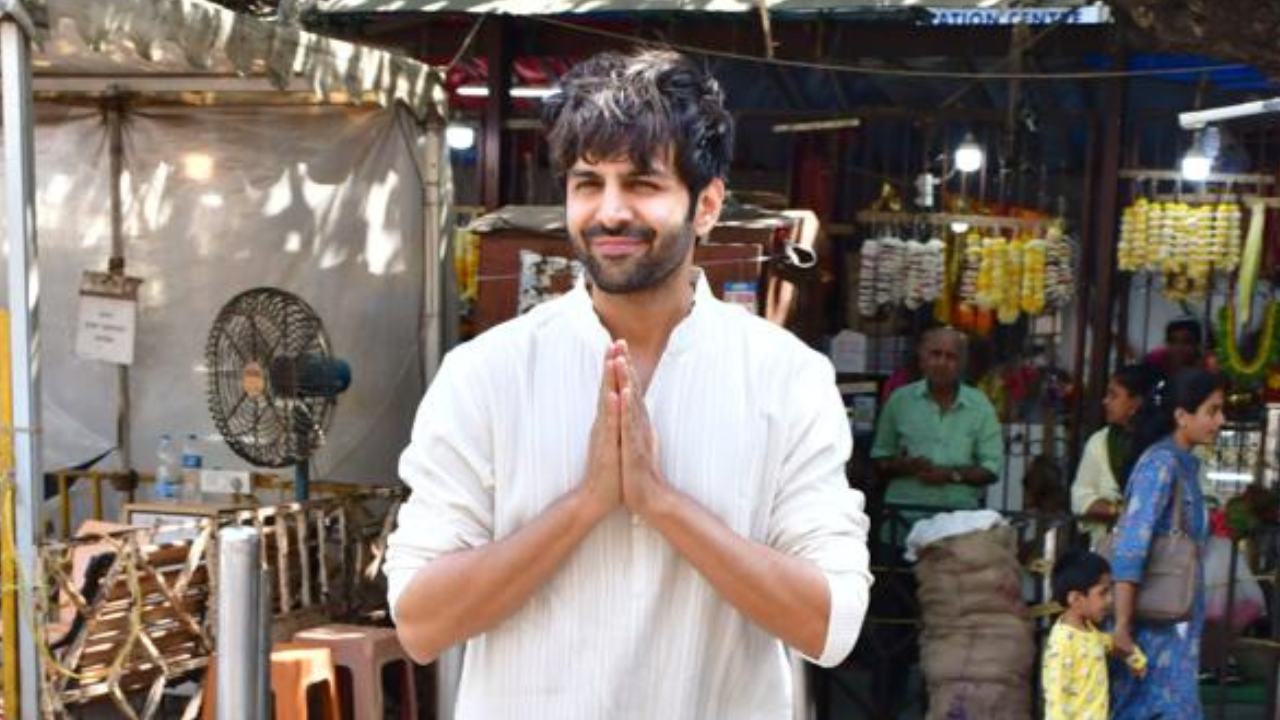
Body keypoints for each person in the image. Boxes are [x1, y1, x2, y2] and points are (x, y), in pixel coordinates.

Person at [383, 49, 872, 720]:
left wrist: (662, 504)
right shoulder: (487, 374)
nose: (609, 212)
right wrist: (586, 504)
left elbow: (830, 627)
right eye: (588, 183)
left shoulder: (785, 379)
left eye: (641, 183)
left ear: (705, 206)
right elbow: (420, 623)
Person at [1110, 369, 1225, 720]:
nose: (1221, 420)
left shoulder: (1183, 465)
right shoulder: (1161, 465)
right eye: (1212, 410)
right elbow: (1131, 546)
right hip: (1152, 634)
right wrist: (1121, 625)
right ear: (1181, 416)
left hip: (1173, 631)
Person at [871, 326, 1004, 539]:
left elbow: (991, 468)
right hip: (902, 523)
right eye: (935, 354)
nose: (942, 362)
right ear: (922, 358)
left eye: (951, 357)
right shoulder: (900, 401)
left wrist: (951, 475)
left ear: (962, 364)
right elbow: (880, 458)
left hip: (957, 529)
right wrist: (907, 466)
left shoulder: (980, 406)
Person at [1043, 549, 1146, 720]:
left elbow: (1111, 643)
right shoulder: (1061, 643)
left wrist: (1136, 660)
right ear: (1076, 599)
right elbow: (1056, 699)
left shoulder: (1088, 630)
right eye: (1103, 592)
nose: (1110, 599)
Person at [1071, 364, 1155, 548]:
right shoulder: (1100, 441)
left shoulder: (1162, 445)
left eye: (1113, 395)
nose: (1105, 401)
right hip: (1107, 548)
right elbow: (1080, 497)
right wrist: (1119, 511)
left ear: (1136, 402)